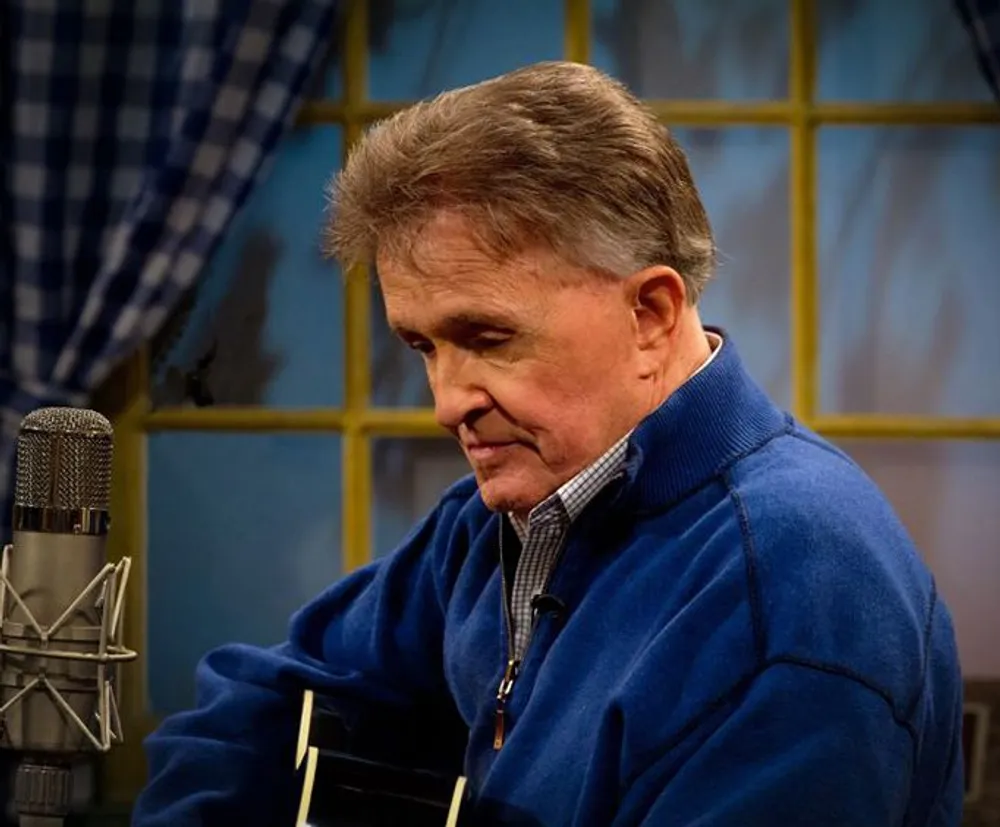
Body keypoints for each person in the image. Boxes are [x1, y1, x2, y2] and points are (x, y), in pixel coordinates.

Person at [131, 61, 964, 827]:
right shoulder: (495, 525)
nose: (446, 403)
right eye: (423, 346)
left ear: (651, 316)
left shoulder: (791, 590)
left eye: (487, 337)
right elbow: (252, 711)